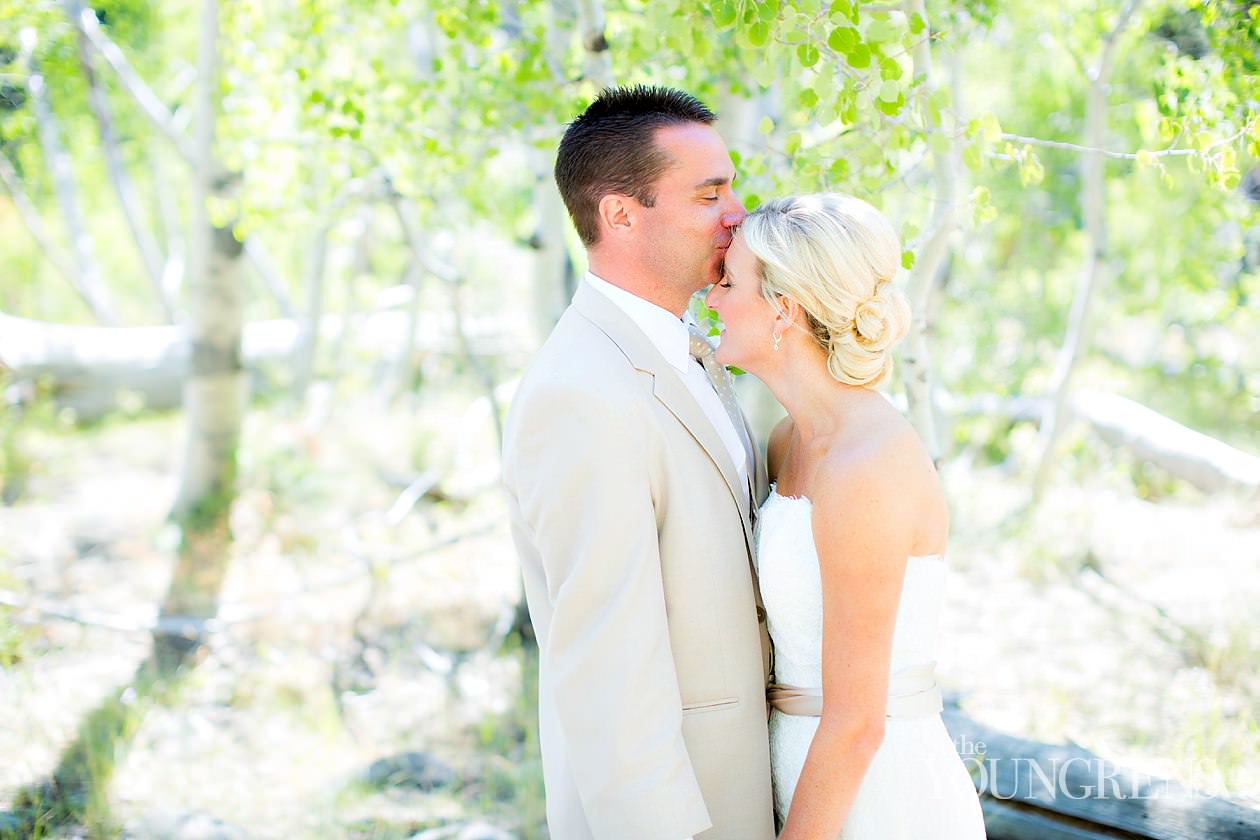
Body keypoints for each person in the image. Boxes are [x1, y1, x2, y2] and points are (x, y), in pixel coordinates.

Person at [501, 85, 775, 840]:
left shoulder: (683, 347)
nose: (737, 213)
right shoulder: (580, 394)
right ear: (621, 213)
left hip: (748, 784)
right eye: (709, 194)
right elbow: (606, 668)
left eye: (732, 187)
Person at [704, 193, 987, 839]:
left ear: (785, 308)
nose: (712, 298)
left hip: (880, 797)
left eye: (728, 281)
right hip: (797, 773)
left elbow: (858, 722)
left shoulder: (866, 468)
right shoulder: (789, 440)